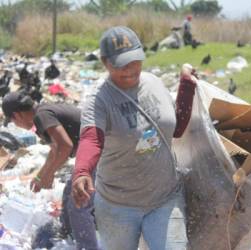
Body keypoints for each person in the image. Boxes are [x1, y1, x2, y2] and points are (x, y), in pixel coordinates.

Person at [72, 26, 198, 250]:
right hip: (118, 206)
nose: (130, 69)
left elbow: (174, 129)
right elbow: (91, 139)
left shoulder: (154, 83)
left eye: (134, 61)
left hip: (165, 197)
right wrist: (82, 171)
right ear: (104, 62)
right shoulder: (99, 99)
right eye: (120, 64)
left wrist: (186, 86)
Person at [1, 92, 100, 250]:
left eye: (12, 121)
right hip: (91, 155)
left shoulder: (42, 115)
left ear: (17, 115)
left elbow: (65, 146)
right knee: (68, 195)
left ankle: (87, 247)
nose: (15, 125)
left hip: (103, 153)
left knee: (78, 205)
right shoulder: (42, 116)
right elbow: (55, 151)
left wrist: (50, 174)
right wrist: (41, 177)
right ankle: (66, 237)